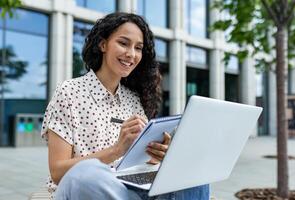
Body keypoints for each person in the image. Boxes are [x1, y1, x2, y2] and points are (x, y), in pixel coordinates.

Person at [41, 12, 210, 200]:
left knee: (191, 169)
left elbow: (138, 162)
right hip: (83, 188)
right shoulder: (69, 92)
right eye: (123, 43)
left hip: (128, 190)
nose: (131, 54)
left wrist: (156, 156)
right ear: (102, 44)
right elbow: (57, 172)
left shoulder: (133, 100)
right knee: (88, 172)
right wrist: (116, 150)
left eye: (138, 48)